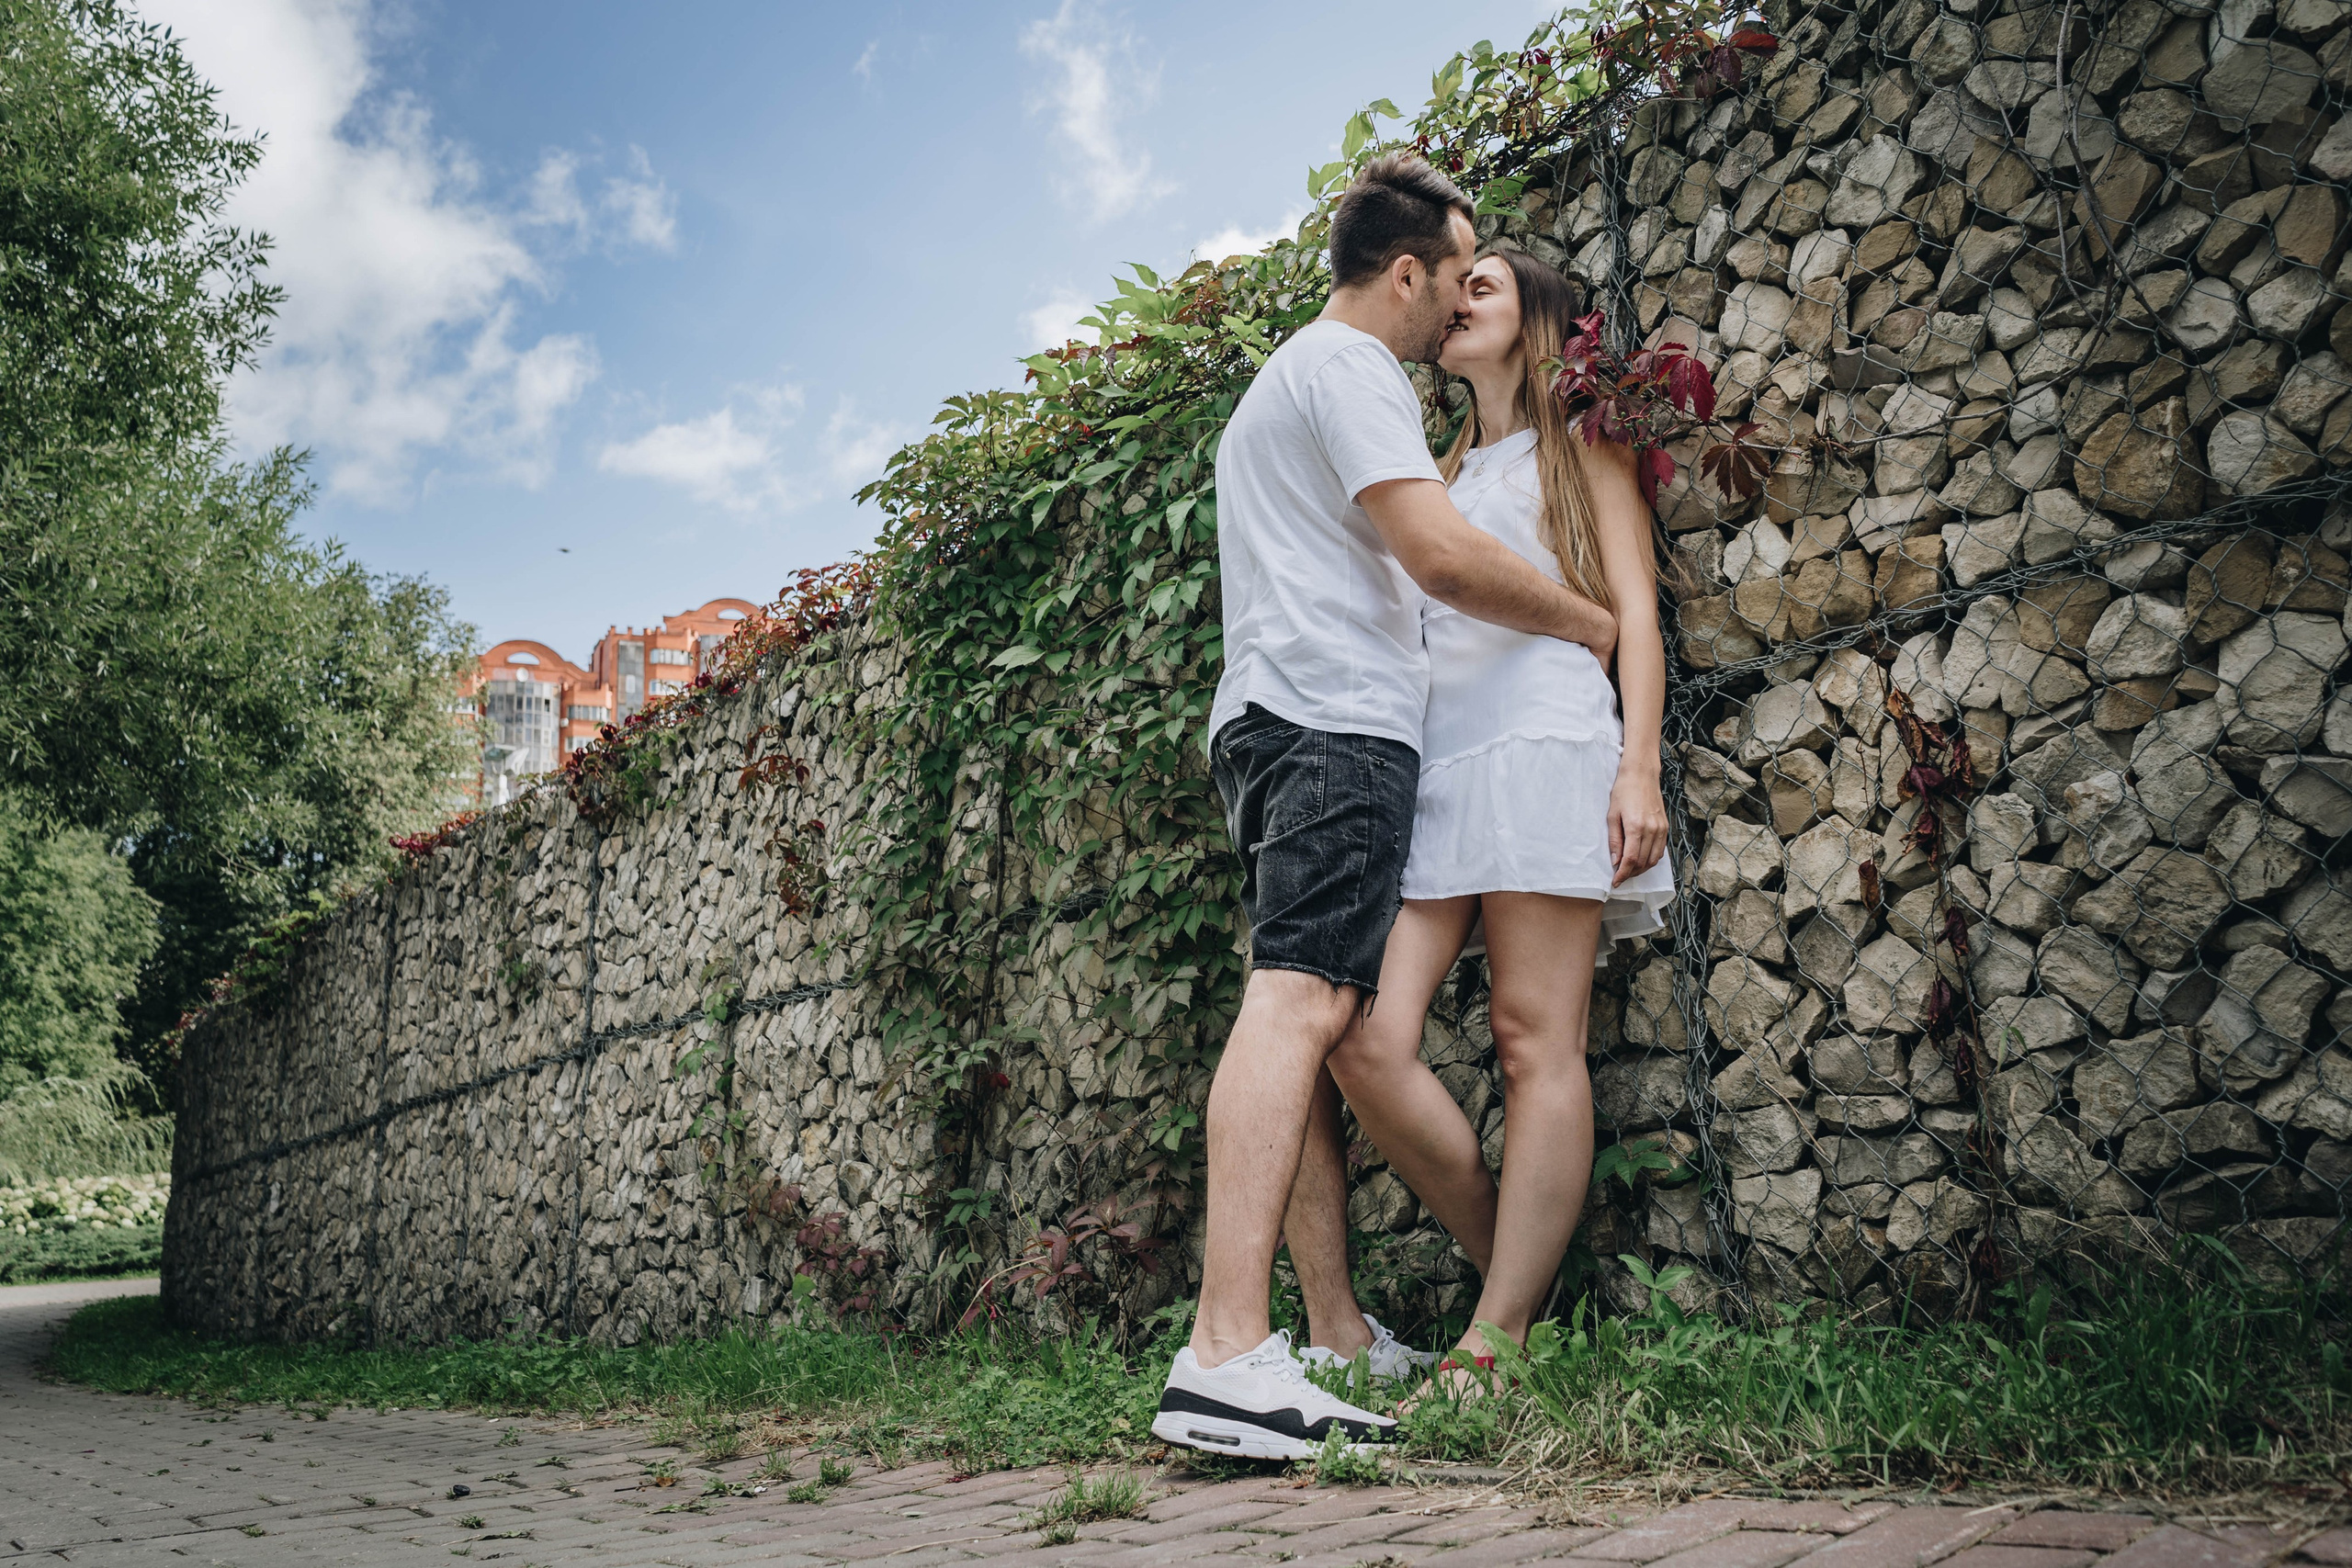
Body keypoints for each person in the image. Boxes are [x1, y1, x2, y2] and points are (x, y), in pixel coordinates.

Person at [1151, 157, 1619, 1461]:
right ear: (1404, 272)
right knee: (1304, 1004)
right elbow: (1436, 555)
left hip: (1267, 715)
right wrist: (1586, 624)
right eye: (1449, 274)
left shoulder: (1273, 386)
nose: (1449, 309)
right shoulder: (1352, 368)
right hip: (1335, 720)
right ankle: (1231, 1353)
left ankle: (1330, 1332)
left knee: (1299, 1008)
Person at [1325, 249, 1676, 1395]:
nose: (1460, 296)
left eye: (1485, 284)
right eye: (1456, 283)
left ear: (1542, 317)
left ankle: (1499, 1339)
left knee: (1535, 1045)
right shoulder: (1437, 471)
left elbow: (1633, 619)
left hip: (1543, 744)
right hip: (1435, 769)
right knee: (1362, 1036)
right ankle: (1516, 1278)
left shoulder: (1586, 445)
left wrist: (1638, 771)